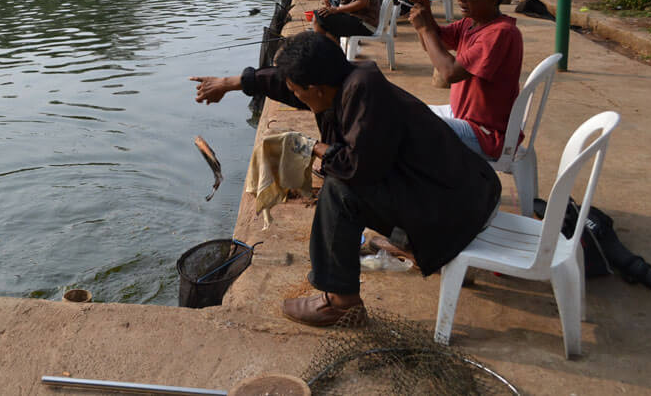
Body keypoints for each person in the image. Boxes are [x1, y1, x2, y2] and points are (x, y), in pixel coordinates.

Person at [190, 31, 501, 327]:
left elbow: (355, 169)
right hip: (460, 193)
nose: (294, 97)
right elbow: (284, 84)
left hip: (458, 210)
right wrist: (229, 83)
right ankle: (411, 244)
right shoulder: (343, 79)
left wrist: (311, 147)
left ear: (316, 89)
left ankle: (341, 302)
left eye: (299, 92)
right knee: (337, 172)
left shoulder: (364, 95)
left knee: (339, 191)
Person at [408, 0, 523, 160]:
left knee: (412, 132)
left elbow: (449, 72)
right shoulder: (471, 23)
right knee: (405, 111)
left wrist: (424, 27)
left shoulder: (500, 33)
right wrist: (424, 10)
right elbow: (434, 43)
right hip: (463, 116)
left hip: (485, 133)